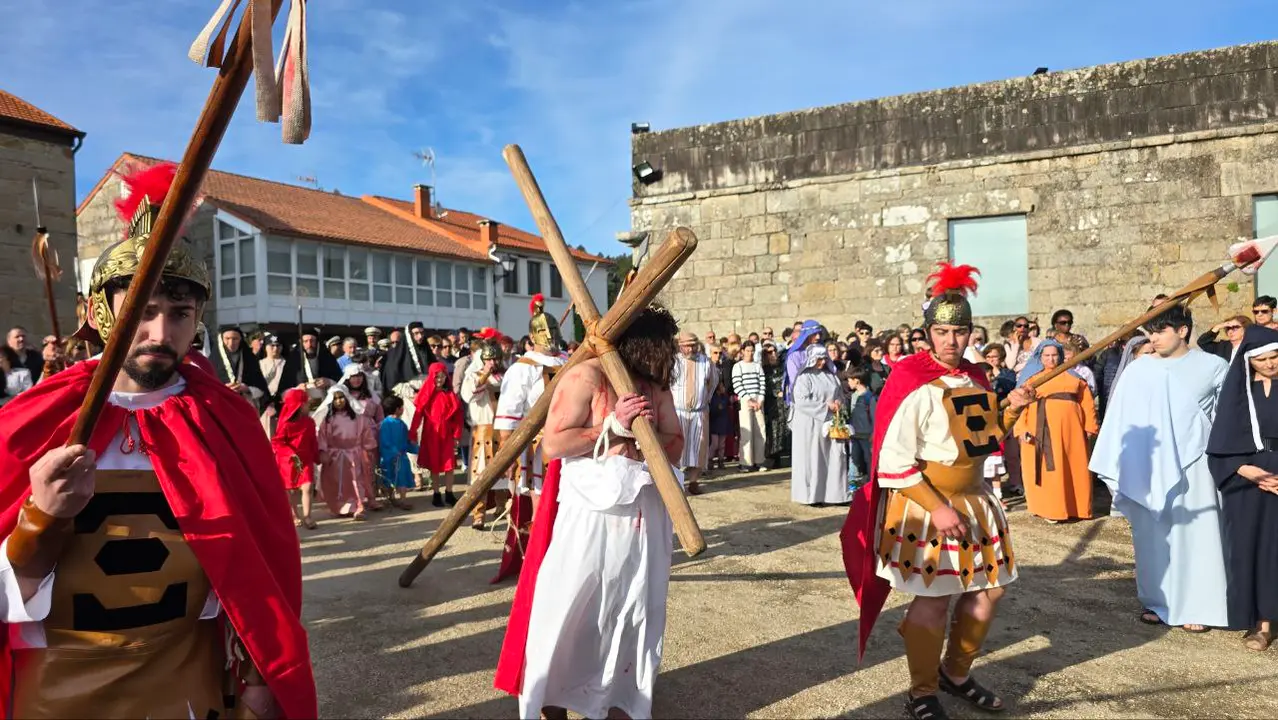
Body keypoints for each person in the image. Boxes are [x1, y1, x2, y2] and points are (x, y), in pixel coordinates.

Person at [0, 160, 315, 718]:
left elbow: (263, 573)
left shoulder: (226, 422)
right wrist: (38, 522)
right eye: (142, 312)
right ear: (101, 313)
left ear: (199, 321)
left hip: (186, 690)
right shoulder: (35, 420)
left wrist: (260, 679)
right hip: (56, 694)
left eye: (179, 314)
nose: (160, 334)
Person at [843, 262, 1037, 720]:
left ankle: (955, 672)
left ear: (971, 333)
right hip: (926, 503)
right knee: (933, 597)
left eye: (961, 331)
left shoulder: (975, 377)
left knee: (989, 592)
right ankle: (921, 691)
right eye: (943, 331)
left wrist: (1010, 409)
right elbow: (893, 462)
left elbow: (984, 438)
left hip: (975, 501)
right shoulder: (910, 379)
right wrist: (937, 506)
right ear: (928, 333)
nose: (952, 341)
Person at [494, 304, 684, 720]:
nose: (670, 352)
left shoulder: (654, 386)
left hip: (643, 516)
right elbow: (554, 445)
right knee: (575, 607)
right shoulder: (586, 376)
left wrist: (648, 440)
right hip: (593, 518)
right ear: (643, 343)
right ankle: (552, 702)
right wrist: (611, 427)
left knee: (635, 608)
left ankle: (620, 700)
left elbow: (675, 441)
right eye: (664, 344)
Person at [1091, 305, 1229, 633]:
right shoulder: (1139, 369)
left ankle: (1200, 605)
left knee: (1198, 534)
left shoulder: (1213, 366)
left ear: (1183, 331)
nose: (1153, 338)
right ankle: (1158, 600)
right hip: (1149, 465)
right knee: (1154, 536)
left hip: (1196, 462)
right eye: (1150, 332)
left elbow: (1227, 416)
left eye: (1161, 330)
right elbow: (1121, 418)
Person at [1207, 324, 1278, 651]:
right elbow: (1221, 443)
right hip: (1247, 479)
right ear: (1249, 360)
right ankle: (1261, 623)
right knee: (1252, 549)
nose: (1270, 363)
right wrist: (1245, 469)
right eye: (1262, 358)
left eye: (1275, 356)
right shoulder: (1237, 393)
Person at [495, 295, 568, 515]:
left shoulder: (569, 361)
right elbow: (509, 417)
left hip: (573, 446)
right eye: (545, 330)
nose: (550, 335)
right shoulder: (522, 369)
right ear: (532, 336)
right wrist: (508, 456)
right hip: (539, 450)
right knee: (543, 511)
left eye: (552, 329)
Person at [1015, 340, 1099, 522]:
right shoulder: (1031, 378)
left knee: (1073, 465)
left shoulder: (1075, 377)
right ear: (1040, 357)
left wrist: (1090, 425)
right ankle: (1051, 508)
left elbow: (1087, 402)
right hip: (1040, 428)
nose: (1051, 359)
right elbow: (1022, 406)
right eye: (1047, 355)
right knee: (1047, 469)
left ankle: (1077, 507)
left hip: (1072, 429)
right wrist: (1021, 427)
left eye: (1054, 355)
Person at [791, 345, 849, 506]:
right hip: (810, 423)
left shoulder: (831, 376)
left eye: (824, 358)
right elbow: (801, 401)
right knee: (813, 458)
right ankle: (813, 495)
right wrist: (825, 407)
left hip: (831, 421)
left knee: (835, 456)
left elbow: (840, 394)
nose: (822, 362)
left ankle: (836, 494)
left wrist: (839, 402)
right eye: (819, 359)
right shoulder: (804, 377)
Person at [315, 384, 378, 520]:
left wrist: (368, 448)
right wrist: (323, 451)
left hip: (354, 454)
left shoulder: (358, 418)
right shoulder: (327, 420)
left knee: (356, 481)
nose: (339, 401)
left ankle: (358, 506)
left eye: (341, 397)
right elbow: (322, 437)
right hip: (335, 456)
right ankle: (339, 506)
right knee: (336, 482)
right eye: (336, 398)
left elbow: (365, 433)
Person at [462, 340, 504, 530]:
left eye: (496, 359)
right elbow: (471, 395)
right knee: (481, 472)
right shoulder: (472, 376)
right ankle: (479, 514)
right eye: (490, 359)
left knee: (505, 468)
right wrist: (484, 376)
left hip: (503, 427)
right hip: (483, 428)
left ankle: (503, 507)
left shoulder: (505, 375)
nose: (493, 362)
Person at [671, 332, 719, 495]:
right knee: (677, 448)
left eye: (692, 344)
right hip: (678, 412)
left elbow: (713, 383)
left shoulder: (705, 362)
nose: (690, 348)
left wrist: (705, 400)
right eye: (686, 345)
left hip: (699, 412)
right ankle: (677, 483)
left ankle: (693, 482)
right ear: (680, 346)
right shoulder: (674, 362)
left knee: (699, 447)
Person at [411, 362, 463, 507]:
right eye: (437, 377)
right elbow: (418, 414)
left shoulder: (449, 394)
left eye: (442, 377)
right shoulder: (426, 394)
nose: (440, 380)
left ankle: (449, 492)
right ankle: (436, 493)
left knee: (449, 464)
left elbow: (458, 417)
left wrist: (457, 435)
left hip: (447, 433)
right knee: (434, 465)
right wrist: (413, 432)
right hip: (431, 433)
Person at [272, 387, 319, 529]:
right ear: (298, 405)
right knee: (290, 490)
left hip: (305, 460)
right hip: (288, 462)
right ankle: (294, 514)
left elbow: (313, 441)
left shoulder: (309, 422)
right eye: (305, 402)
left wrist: (317, 457)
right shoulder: (285, 424)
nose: (308, 404)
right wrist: (289, 453)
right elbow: (277, 442)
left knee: (308, 486)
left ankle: (307, 516)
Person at [212, 325, 269, 408]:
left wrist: (247, 388)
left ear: (241, 340)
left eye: (235, 339)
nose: (231, 343)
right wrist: (223, 388)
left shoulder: (250, 359)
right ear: (221, 340)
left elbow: (261, 387)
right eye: (227, 339)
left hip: (244, 407)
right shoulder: (212, 361)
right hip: (219, 406)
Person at [732, 342, 767, 472]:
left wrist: (760, 400)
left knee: (760, 432)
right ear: (742, 351)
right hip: (745, 402)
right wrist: (748, 399)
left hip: (758, 402)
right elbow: (737, 385)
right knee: (747, 433)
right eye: (747, 350)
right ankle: (745, 462)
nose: (750, 353)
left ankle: (759, 460)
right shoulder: (738, 366)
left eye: (752, 350)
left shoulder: (758, 366)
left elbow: (762, 383)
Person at [378, 395, 417, 510]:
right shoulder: (389, 423)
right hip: (395, 456)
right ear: (397, 409)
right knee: (396, 478)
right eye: (401, 407)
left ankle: (400, 499)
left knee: (396, 477)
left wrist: (414, 448)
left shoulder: (392, 423)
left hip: (393, 456)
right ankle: (397, 498)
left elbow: (405, 440)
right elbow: (386, 441)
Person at [282, 329, 341, 399]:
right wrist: (296, 389)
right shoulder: (293, 361)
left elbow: (341, 383)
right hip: (301, 402)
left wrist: (329, 381)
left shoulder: (328, 359)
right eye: (305, 341)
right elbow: (283, 392)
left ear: (317, 342)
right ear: (301, 343)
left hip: (325, 401)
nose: (309, 344)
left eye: (312, 341)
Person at [380, 321, 435, 397]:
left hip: (428, 394)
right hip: (408, 398)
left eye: (422, 333)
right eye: (416, 333)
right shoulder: (396, 355)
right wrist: (414, 395)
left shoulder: (427, 352)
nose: (420, 336)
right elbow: (392, 381)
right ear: (409, 335)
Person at [843, 366, 875, 492]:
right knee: (853, 460)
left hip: (867, 435)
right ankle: (852, 486)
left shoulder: (869, 397)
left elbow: (874, 416)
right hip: (855, 435)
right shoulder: (854, 396)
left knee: (869, 460)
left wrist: (874, 432)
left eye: (850, 379)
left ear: (857, 380)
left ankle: (872, 485)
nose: (848, 382)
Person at [762, 341, 790, 470]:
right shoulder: (763, 369)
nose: (773, 354)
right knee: (772, 431)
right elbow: (762, 386)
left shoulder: (782, 367)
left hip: (783, 403)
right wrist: (774, 393)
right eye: (769, 352)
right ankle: (772, 456)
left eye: (774, 351)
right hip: (770, 403)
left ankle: (783, 455)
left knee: (784, 429)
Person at [784, 320, 823, 403]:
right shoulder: (795, 355)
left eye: (819, 334)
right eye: (814, 334)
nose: (818, 337)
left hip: (821, 397)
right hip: (802, 399)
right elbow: (795, 380)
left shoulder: (821, 351)